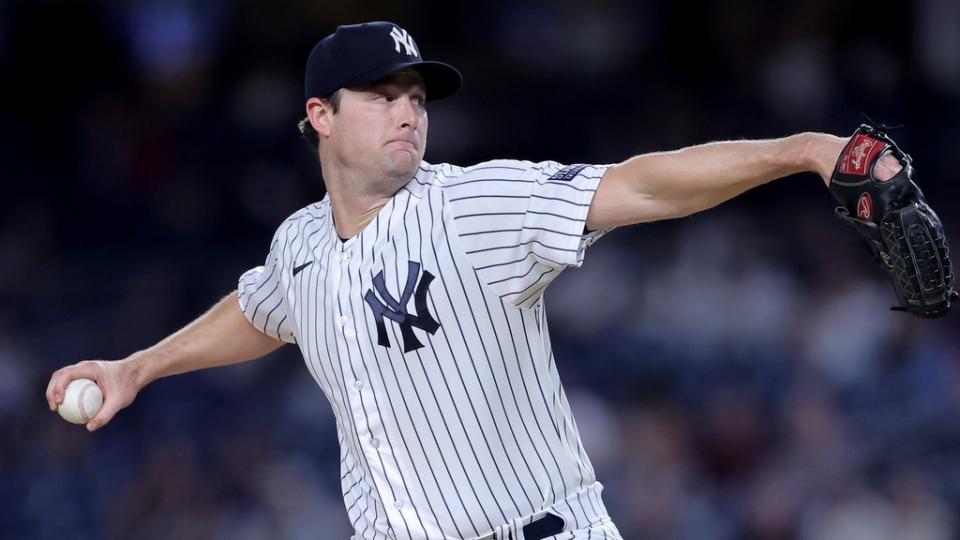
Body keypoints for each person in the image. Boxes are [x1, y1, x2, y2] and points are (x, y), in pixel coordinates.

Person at [46, 21, 902, 540]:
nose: (409, 109)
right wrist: (138, 368)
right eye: (381, 94)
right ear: (319, 117)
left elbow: (639, 182)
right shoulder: (299, 243)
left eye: (416, 94)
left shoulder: (473, 204)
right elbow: (266, 307)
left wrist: (803, 153)